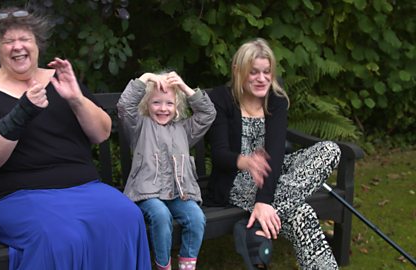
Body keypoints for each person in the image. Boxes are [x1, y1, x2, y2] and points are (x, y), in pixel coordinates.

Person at [0, 4, 151, 270]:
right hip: (11, 196)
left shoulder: (61, 81)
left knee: (127, 217)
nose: (18, 46)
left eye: (25, 38)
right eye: (8, 41)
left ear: (37, 44)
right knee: (59, 239)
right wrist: (22, 112)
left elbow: (102, 133)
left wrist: (76, 99)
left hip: (82, 188)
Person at [206, 38, 342, 270]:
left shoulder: (276, 101)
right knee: (302, 212)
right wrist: (245, 161)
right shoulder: (220, 99)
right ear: (238, 71)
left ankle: (261, 215)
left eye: (267, 72)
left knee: (331, 149)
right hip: (235, 179)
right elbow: (219, 155)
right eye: (254, 72)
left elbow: (276, 154)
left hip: (273, 175)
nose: (262, 78)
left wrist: (264, 201)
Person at [117, 71, 216, 270]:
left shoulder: (184, 129)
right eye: (156, 103)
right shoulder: (139, 126)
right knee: (161, 216)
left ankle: (187, 266)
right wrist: (145, 77)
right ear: (146, 105)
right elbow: (124, 106)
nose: (163, 108)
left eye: (169, 103)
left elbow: (208, 114)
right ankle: (164, 266)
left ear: (177, 106)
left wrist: (184, 87)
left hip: (178, 193)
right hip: (147, 194)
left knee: (196, 217)